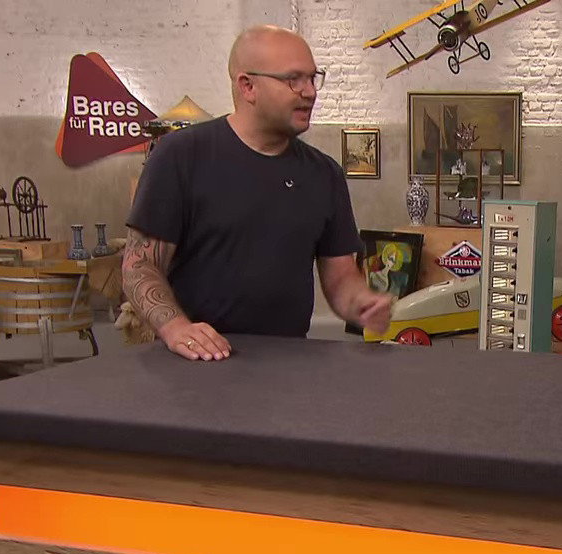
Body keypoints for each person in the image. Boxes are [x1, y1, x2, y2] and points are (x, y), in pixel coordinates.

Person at [123, 25, 392, 361]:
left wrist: (361, 302)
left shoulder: (324, 174)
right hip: (196, 362)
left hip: (287, 365)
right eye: (293, 79)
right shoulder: (181, 156)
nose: (310, 91)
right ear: (247, 86)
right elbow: (139, 266)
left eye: (313, 78)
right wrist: (176, 328)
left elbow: (340, 281)